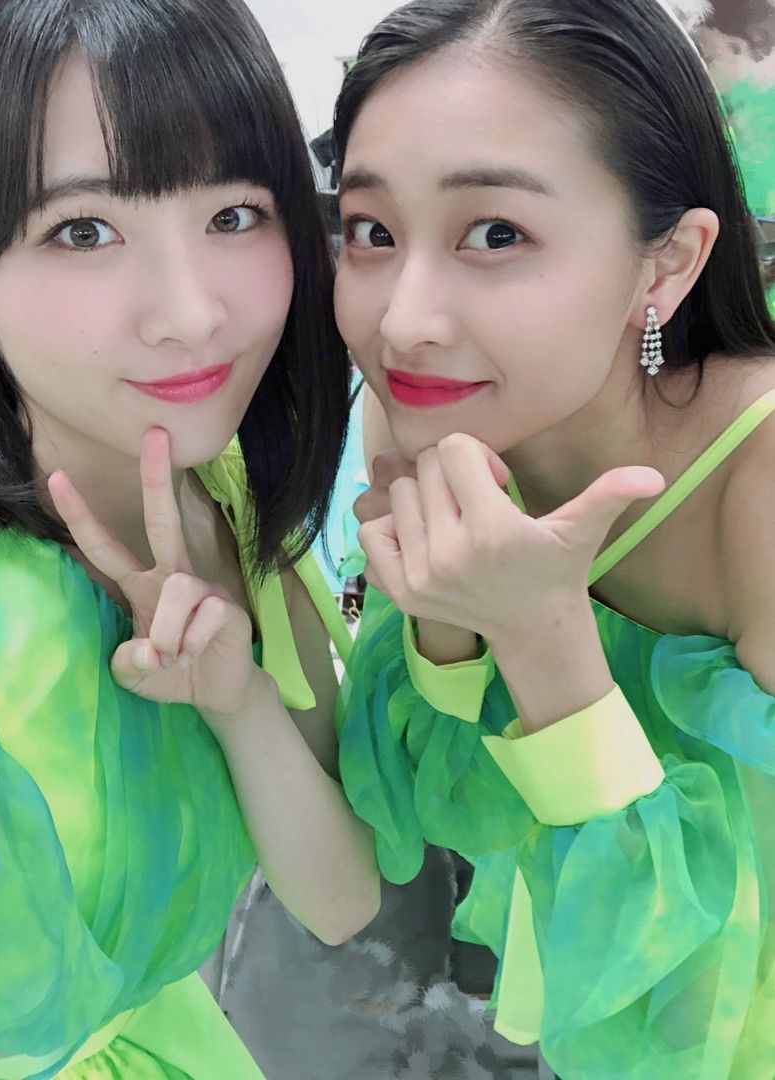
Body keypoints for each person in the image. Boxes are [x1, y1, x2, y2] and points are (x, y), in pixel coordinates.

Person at [332, 1, 775, 1077]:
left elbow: (694, 995)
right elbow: (447, 808)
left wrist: (542, 639)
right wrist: (449, 627)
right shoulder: (426, 413)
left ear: (666, 264)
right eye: (371, 231)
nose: (401, 322)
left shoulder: (758, 486)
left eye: (496, 234)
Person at [0, 1, 380, 1076]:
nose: (191, 313)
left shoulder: (230, 488)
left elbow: (339, 902)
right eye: (83, 231)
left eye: (234, 214)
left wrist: (236, 700)